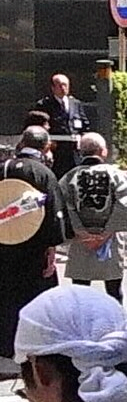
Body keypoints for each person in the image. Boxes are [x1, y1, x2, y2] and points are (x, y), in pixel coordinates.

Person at [0, 128, 63, 373]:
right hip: (33, 248)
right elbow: (54, 215)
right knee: (35, 300)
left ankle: (5, 351)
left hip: (4, 246)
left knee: (5, 296)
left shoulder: (3, 168)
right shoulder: (43, 173)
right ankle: (32, 353)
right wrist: (51, 248)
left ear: (21, 143)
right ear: (45, 147)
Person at [57, 133, 127, 304]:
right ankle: (116, 324)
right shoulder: (117, 175)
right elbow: (125, 205)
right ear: (103, 151)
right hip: (109, 238)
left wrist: (81, 232)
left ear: (80, 152)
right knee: (113, 290)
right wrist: (106, 233)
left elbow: (64, 206)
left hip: (81, 239)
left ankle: (81, 326)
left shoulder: (69, 177)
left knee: (80, 290)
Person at [31, 73, 87, 175]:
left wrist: (82, 139)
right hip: (56, 149)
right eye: (60, 85)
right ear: (53, 88)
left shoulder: (76, 103)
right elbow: (38, 126)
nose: (63, 88)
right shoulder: (44, 104)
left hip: (73, 150)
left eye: (66, 85)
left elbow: (84, 124)